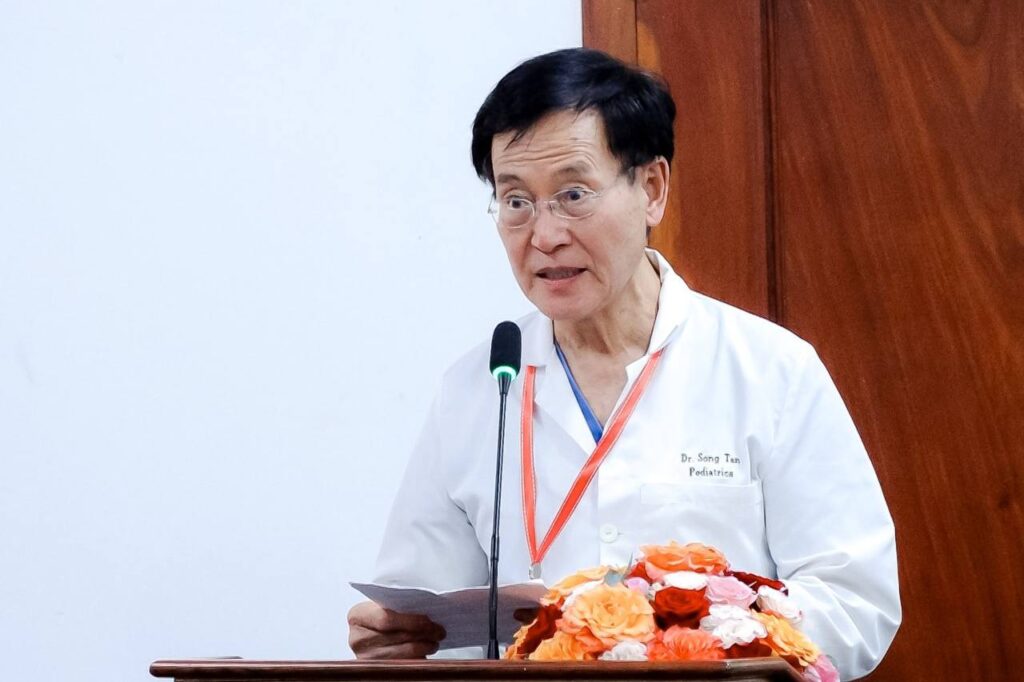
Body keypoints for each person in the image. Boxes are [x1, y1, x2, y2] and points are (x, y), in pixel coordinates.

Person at [347, 48, 900, 678]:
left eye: (573, 194)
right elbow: (424, 609)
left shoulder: (771, 370)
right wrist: (400, 641)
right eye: (516, 200)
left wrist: (690, 638)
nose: (544, 235)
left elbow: (857, 600)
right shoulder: (476, 389)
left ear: (652, 189)